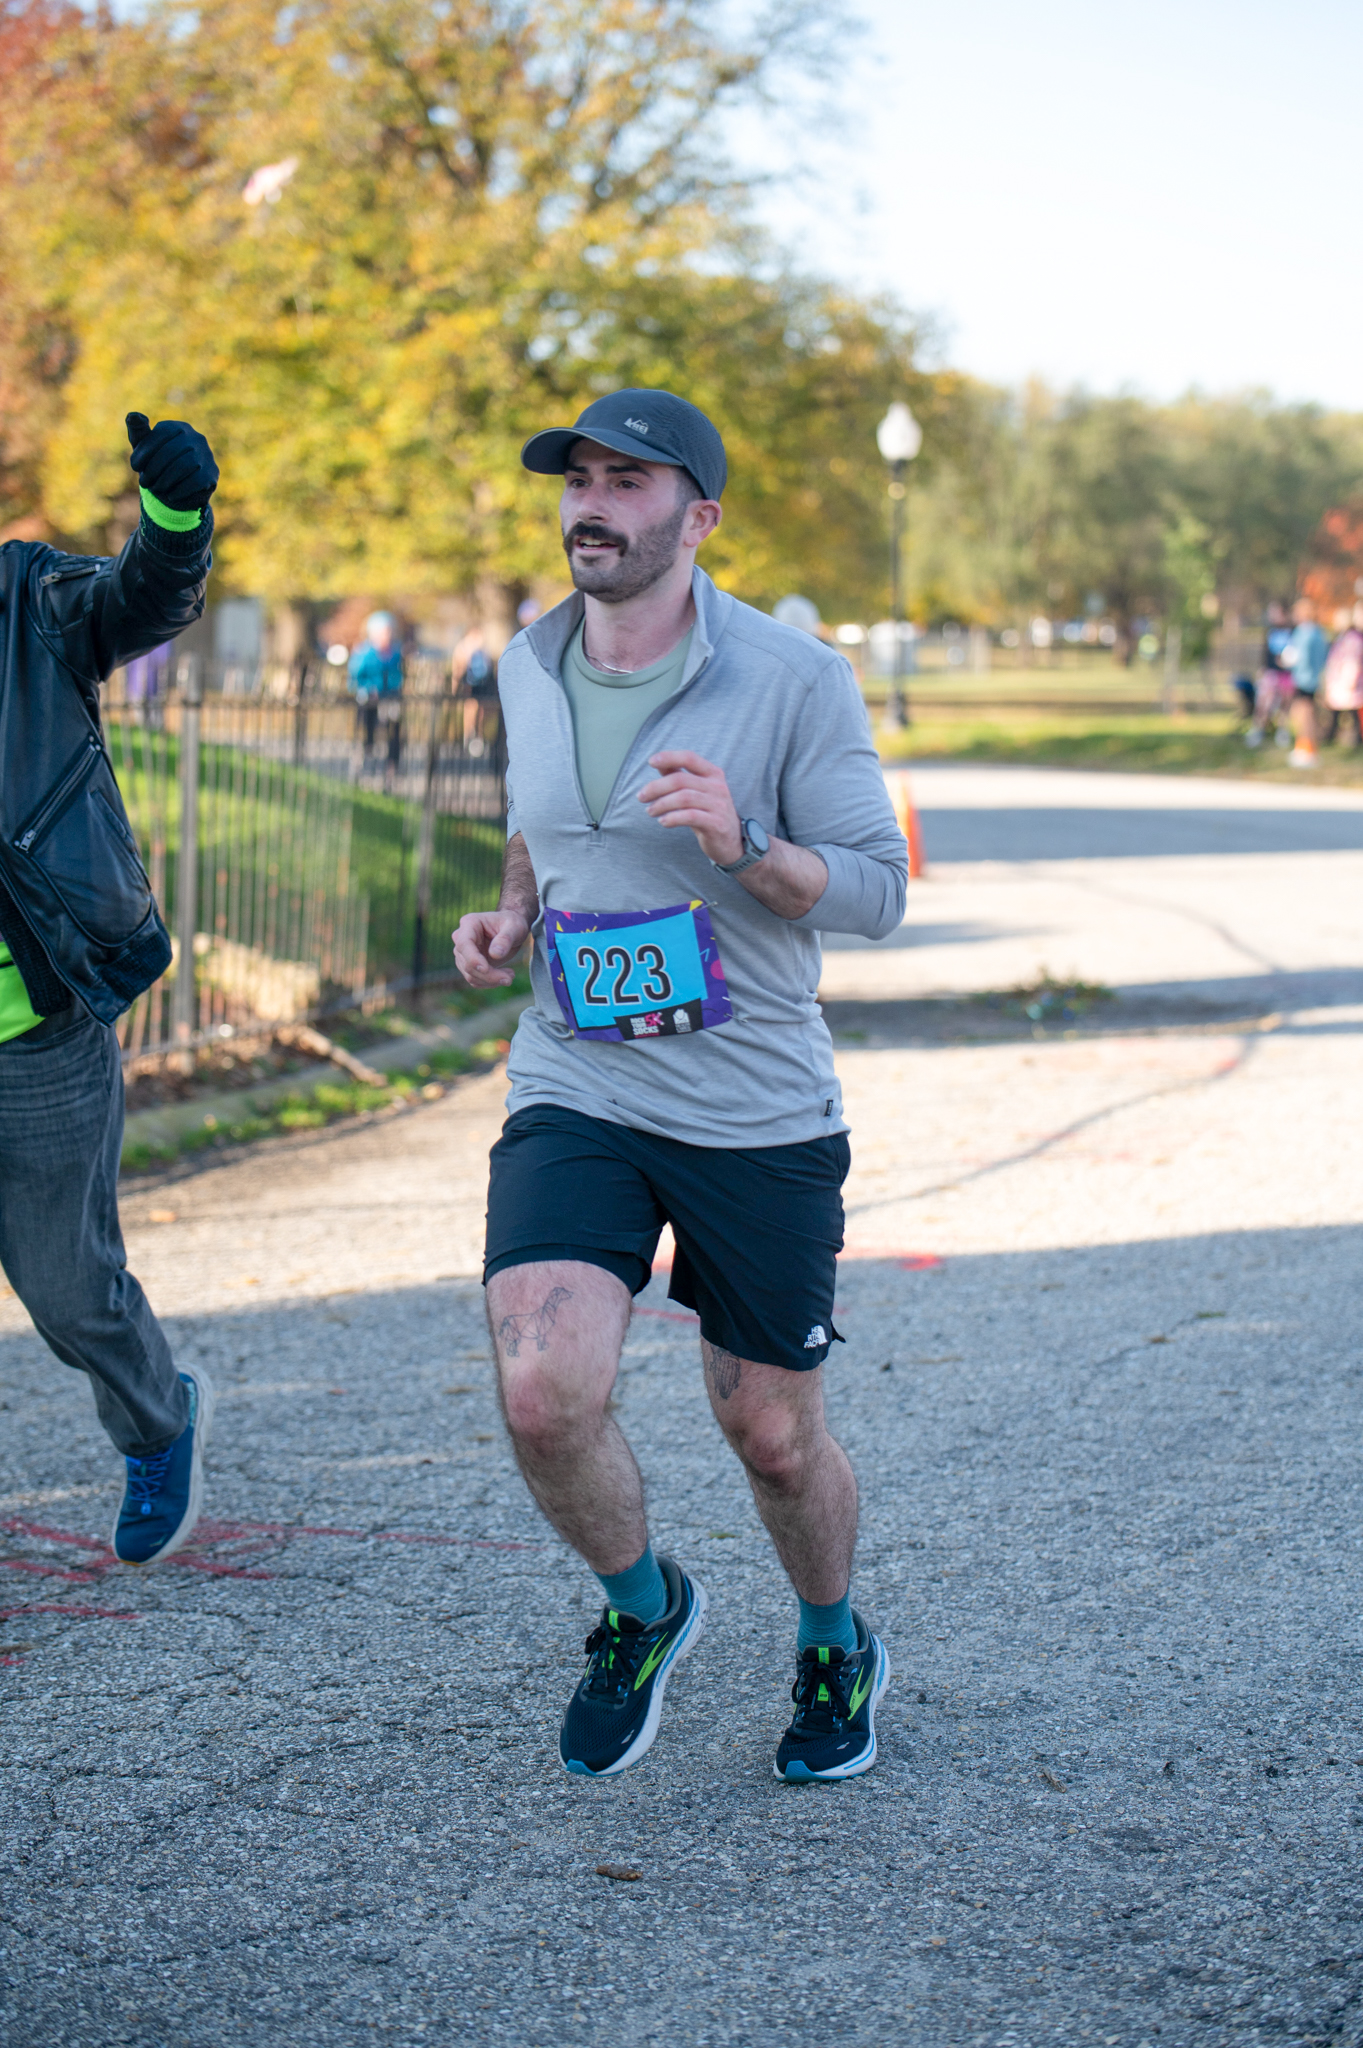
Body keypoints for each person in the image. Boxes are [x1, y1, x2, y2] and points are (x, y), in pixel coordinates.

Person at [453, 388, 908, 1783]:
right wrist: (515, 914)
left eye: (630, 483)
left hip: (752, 1105)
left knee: (768, 1432)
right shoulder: (526, 667)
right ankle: (643, 1609)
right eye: (579, 479)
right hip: (576, 1077)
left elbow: (876, 890)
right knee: (541, 1389)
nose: (592, 504)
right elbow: (546, 827)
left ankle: (832, 1637)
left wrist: (744, 841)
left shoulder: (789, 678)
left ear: (698, 516)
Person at [0, 411, 218, 1565]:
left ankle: (158, 1417)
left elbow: (142, 599)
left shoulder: (22, 599)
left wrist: (174, 514)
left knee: (71, 1291)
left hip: (30, 1029)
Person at [348, 611, 403, 773]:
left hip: (390, 697)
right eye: (385, 631)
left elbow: (397, 676)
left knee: (393, 730)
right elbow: (354, 678)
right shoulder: (364, 653)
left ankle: (392, 764)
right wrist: (368, 689)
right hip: (368, 700)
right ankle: (365, 757)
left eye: (389, 631)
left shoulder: (394, 654)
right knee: (366, 730)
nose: (388, 635)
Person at [1279, 595, 1329, 767]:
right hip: (1314, 678)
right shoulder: (1318, 632)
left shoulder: (1303, 632)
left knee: (1302, 715)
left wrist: (1288, 660)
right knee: (1309, 715)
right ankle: (1310, 749)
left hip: (1303, 678)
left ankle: (1304, 749)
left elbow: (1298, 656)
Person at [1245, 600, 1294, 749]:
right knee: (1264, 703)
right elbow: (1265, 653)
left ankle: (1282, 731)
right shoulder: (1270, 631)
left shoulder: (1292, 630)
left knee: (1284, 704)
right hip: (1271, 673)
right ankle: (1257, 730)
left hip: (1286, 674)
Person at [1319, 602, 1363, 748]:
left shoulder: (1352, 639)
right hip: (1339, 682)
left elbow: (1353, 662)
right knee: (1341, 712)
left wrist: (1350, 681)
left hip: (1346, 683)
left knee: (1350, 711)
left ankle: (1351, 739)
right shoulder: (1343, 637)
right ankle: (1333, 736)